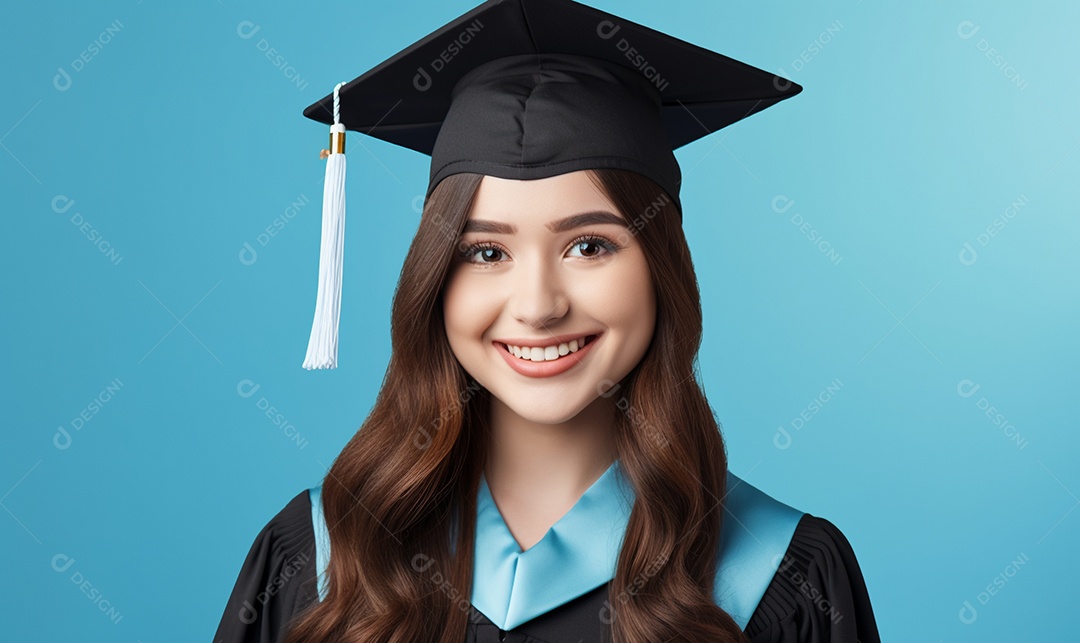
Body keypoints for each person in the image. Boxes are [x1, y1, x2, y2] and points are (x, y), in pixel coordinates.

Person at [214, 1, 880, 641]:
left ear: (661, 266)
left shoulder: (779, 574)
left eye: (589, 245)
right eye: (486, 251)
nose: (537, 305)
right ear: (435, 278)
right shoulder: (322, 559)